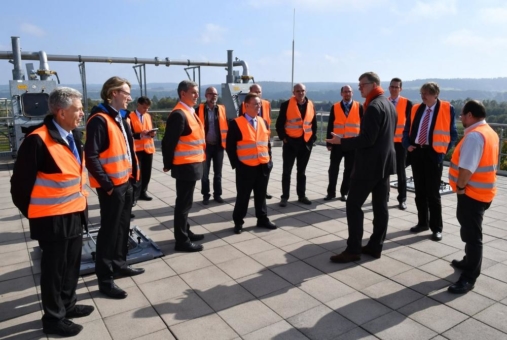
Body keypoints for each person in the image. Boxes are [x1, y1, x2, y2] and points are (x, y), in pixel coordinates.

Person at [11, 87, 93, 336]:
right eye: (77, 109)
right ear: (61, 112)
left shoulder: (72, 134)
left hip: (75, 214)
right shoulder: (37, 141)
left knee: (71, 265)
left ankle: (68, 305)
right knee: (54, 271)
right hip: (52, 220)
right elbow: (19, 188)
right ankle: (53, 319)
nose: (81, 113)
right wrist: (37, 214)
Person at [326, 72, 397, 263]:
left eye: (362, 85)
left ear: (373, 85)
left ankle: (353, 249)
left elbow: (368, 139)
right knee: (380, 207)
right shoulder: (389, 104)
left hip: (370, 165)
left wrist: (342, 142)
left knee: (353, 204)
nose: (359, 88)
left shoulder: (374, 107)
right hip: (384, 163)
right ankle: (375, 246)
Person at [85, 77, 144, 300]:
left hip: (125, 182)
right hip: (113, 186)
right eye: (126, 92)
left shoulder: (120, 118)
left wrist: (133, 179)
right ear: (113, 93)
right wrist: (107, 186)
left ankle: (119, 264)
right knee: (109, 233)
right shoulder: (99, 119)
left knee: (122, 227)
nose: (130, 97)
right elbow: (90, 156)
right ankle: (105, 279)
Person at [447, 100, 499, 294]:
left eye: (462, 115)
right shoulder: (489, 132)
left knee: (473, 236)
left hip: (472, 194)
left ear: (470, 115)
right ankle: (468, 261)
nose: (461, 118)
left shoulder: (475, 137)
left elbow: (466, 168)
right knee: (469, 231)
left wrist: (460, 188)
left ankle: (469, 277)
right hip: (483, 192)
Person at [402, 82, 457, 241]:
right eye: (422, 93)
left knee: (433, 194)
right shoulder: (415, 109)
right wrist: (407, 144)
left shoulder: (447, 108)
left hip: (434, 154)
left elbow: (452, 134)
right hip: (417, 152)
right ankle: (422, 223)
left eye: (426, 93)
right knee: (419, 192)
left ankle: (436, 228)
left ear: (435, 94)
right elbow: (407, 130)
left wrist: (442, 151)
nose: (423, 96)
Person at [162, 80, 205, 252]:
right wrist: (167, 164)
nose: (196, 95)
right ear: (183, 94)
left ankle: (186, 231)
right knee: (183, 204)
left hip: (191, 164)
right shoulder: (179, 114)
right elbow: (168, 142)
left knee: (185, 202)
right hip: (185, 166)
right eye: (193, 92)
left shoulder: (189, 111)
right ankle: (181, 240)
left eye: (197, 92)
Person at [226, 93, 277, 234]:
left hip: (263, 165)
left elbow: (267, 143)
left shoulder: (263, 121)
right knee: (243, 196)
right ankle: (238, 222)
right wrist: (237, 165)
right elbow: (230, 147)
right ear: (246, 105)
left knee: (261, 196)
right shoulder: (236, 123)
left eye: (259, 104)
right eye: (255, 104)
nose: (258, 106)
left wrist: (269, 160)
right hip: (245, 167)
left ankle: (262, 218)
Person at [275, 83, 317, 207]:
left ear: (306, 91)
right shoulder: (286, 105)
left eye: (302, 90)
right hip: (290, 143)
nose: (300, 93)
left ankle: (301, 195)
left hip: (305, 143)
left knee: (302, 172)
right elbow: (279, 124)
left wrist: (312, 139)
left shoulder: (311, 104)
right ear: (293, 92)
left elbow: (313, 124)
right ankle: (285, 197)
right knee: (287, 171)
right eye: (298, 91)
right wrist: (284, 138)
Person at [325, 85, 363, 202]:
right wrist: (329, 142)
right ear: (341, 94)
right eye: (345, 92)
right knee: (333, 169)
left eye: (349, 92)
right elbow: (330, 124)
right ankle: (331, 192)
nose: (347, 94)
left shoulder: (359, 107)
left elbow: (363, 125)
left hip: (352, 143)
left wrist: (361, 142)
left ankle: (344, 192)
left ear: (352, 93)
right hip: (337, 142)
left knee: (349, 169)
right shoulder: (335, 107)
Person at [196, 86, 228, 205]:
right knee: (205, 174)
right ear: (206, 95)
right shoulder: (198, 109)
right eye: (211, 94)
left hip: (219, 146)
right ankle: (205, 195)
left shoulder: (221, 109)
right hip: (205, 147)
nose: (214, 96)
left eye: (215, 94)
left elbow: (226, 126)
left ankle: (217, 194)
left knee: (218, 173)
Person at [241, 84, 273, 199]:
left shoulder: (266, 104)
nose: (258, 94)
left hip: (264, 141)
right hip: (250, 143)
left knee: (266, 167)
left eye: (259, 92)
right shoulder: (244, 105)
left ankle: (263, 190)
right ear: (250, 92)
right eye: (255, 92)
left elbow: (268, 120)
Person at [388, 78, 413, 210]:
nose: (393, 89)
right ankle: (384, 195)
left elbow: (411, 124)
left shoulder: (407, 103)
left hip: (401, 144)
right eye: (392, 87)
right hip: (386, 143)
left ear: (400, 89)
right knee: (385, 171)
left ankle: (402, 199)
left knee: (401, 172)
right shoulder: (384, 102)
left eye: (396, 87)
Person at [129, 96, 156, 202]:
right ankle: (135, 194)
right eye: (144, 107)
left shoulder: (148, 116)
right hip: (137, 149)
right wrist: (140, 135)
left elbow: (150, 128)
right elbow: (129, 133)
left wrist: (152, 133)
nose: (146, 110)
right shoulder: (130, 116)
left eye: (148, 108)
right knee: (137, 173)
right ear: (138, 105)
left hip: (148, 148)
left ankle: (143, 192)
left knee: (147, 172)